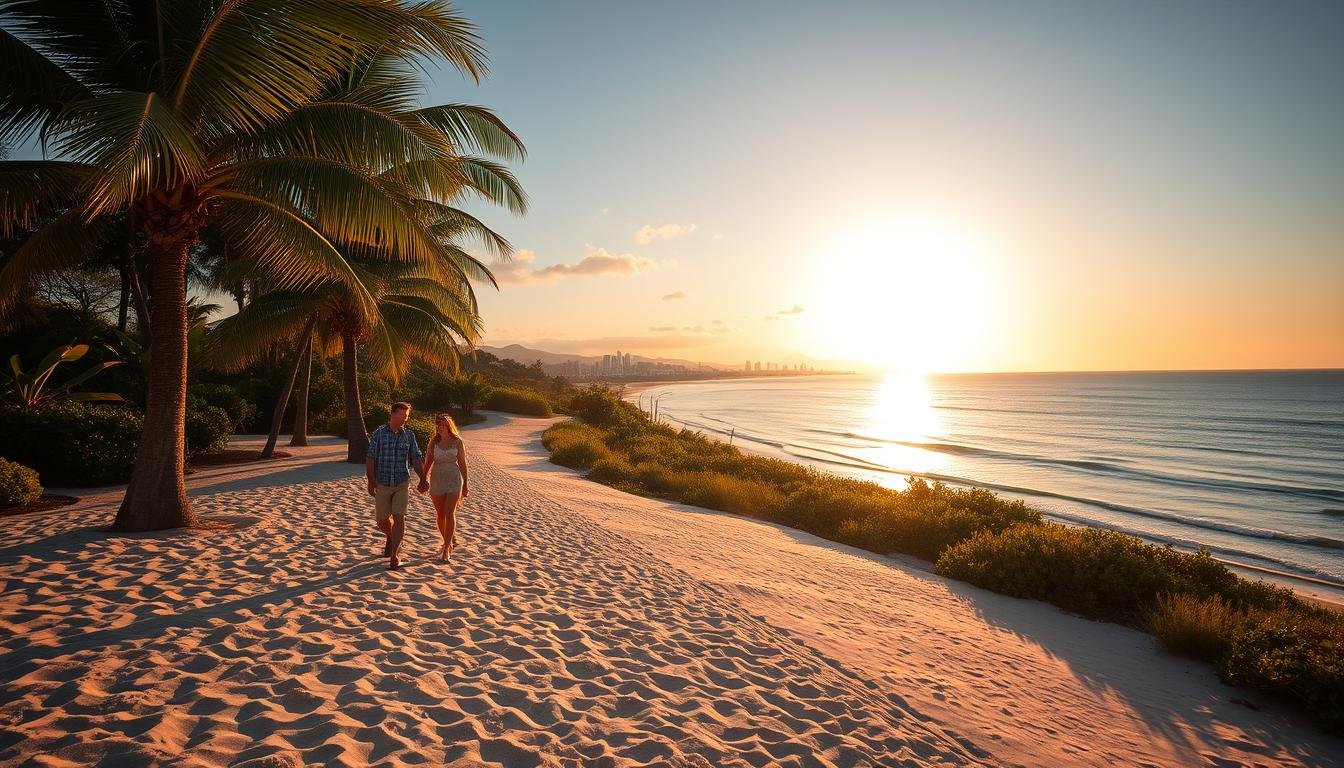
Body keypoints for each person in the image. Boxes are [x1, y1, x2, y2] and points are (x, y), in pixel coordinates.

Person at [366, 402, 428, 570]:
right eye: (402, 416)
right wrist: (371, 480)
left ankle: (395, 555)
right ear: (392, 414)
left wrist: (423, 478)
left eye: (406, 417)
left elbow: (415, 458)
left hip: (402, 482)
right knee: (381, 520)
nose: (404, 419)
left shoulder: (409, 435)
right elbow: (371, 458)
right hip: (383, 483)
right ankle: (391, 536)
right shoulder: (379, 434)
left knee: (399, 515)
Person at [420, 412, 469, 561]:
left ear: (449, 425)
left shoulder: (457, 441)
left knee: (449, 512)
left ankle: (447, 549)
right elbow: (427, 462)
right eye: (439, 425)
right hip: (437, 478)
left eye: (443, 425)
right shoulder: (433, 442)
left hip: (454, 477)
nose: (441, 427)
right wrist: (423, 479)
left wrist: (466, 483)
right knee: (440, 514)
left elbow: (462, 463)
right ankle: (447, 540)